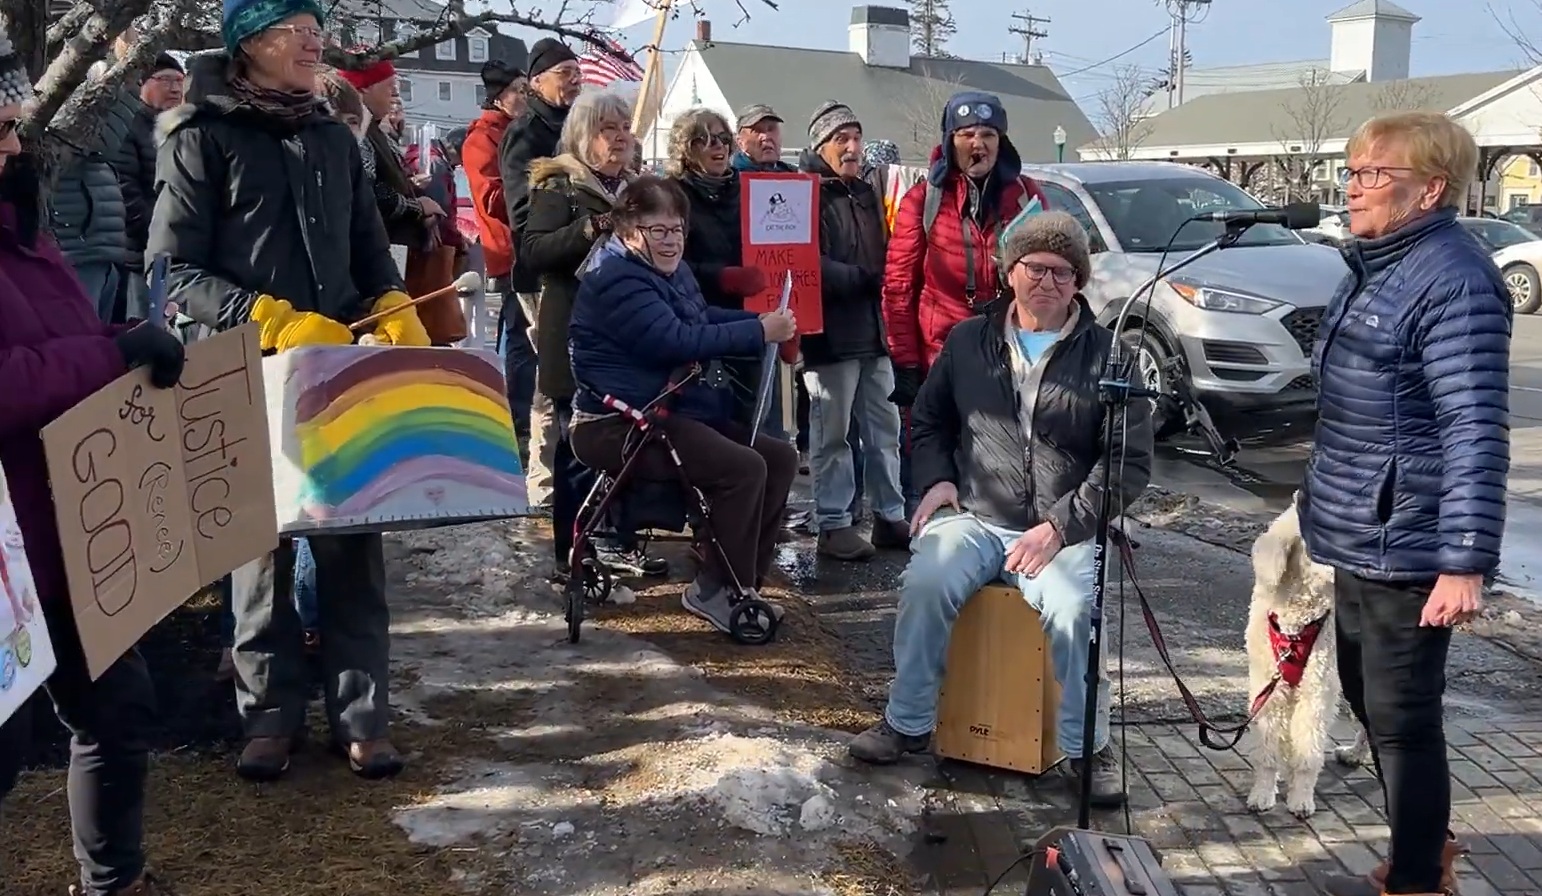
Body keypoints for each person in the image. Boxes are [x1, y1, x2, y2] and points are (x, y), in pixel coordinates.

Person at [149, 0, 431, 782]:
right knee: (258, 548)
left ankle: (363, 716)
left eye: (315, 30)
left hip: (336, 371)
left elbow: (370, 250)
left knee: (353, 543)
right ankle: (267, 715)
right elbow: (172, 272)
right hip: (241, 368)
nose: (314, 44)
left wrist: (385, 306)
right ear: (249, 45)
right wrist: (264, 316)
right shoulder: (201, 138)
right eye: (295, 32)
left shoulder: (333, 139)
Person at [847, 211, 1152, 810]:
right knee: (926, 581)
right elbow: (930, 421)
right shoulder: (967, 341)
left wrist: (1062, 526)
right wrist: (934, 481)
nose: (1048, 281)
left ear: (1079, 282)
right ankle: (906, 724)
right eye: (1035, 267)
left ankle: (1086, 747)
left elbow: (1128, 463)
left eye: (1063, 271)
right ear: (1010, 272)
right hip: (977, 515)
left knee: (1072, 609)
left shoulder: (1110, 356)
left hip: (1061, 525)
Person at [1303, 112, 1509, 896]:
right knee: (1369, 699)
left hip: (1412, 542)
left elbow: (1474, 426)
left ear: (1429, 189)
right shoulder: (1378, 263)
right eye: (1351, 172)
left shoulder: (1453, 277)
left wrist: (1463, 562)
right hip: (1361, 531)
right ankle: (1430, 839)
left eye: (1372, 175)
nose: (1353, 189)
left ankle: (1419, 877)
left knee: (1402, 720)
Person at [0, 32, 186, 890]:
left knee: (116, 708)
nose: (14, 146)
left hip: (73, 529)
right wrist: (107, 359)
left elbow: (64, 343)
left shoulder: (27, 237)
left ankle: (116, 883)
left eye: (13, 128)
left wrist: (131, 343)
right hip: (8, 553)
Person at [567, 176, 800, 631]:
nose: (671, 240)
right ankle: (714, 589)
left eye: (677, 229)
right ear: (629, 230)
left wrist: (761, 322)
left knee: (780, 457)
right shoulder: (616, 277)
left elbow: (699, 317)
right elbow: (672, 340)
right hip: (616, 421)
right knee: (744, 468)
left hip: (665, 410)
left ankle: (741, 583)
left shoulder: (665, 269)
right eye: (659, 230)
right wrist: (758, 332)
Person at [519, 91, 666, 580]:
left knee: (631, 442)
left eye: (626, 127)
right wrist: (597, 226)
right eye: (609, 128)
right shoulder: (559, 188)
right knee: (579, 448)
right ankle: (573, 553)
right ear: (584, 136)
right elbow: (535, 253)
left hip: (630, 333)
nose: (622, 136)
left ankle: (621, 539)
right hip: (576, 335)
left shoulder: (636, 188)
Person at [881, 92, 1049, 517]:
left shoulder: (1027, 197)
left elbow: (1049, 275)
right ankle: (937, 553)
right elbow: (899, 286)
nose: (979, 144)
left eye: (989, 134)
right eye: (967, 134)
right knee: (940, 463)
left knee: (1003, 465)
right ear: (950, 140)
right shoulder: (924, 200)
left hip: (1010, 351)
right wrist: (905, 364)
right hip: (942, 351)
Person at [797, 101, 905, 561]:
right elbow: (802, 259)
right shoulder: (806, 194)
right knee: (833, 434)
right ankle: (834, 522)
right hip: (830, 334)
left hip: (874, 332)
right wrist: (861, 278)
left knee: (885, 429)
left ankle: (890, 514)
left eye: (857, 137)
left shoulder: (867, 193)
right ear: (822, 145)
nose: (853, 147)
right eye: (842, 139)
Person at [501, 38, 583, 509]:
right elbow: (520, 212)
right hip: (543, 273)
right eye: (564, 72)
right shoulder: (526, 133)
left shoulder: (577, 126)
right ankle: (544, 481)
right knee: (550, 381)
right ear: (536, 82)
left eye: (576, 71)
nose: (575, 79)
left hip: (581, 271)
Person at [666, 108, 771, 429]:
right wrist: (722, 276)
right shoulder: (671, 195)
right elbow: (667, 263)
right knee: (713, 427)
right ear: (685, 148)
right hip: (699, 323)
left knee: (758, 427)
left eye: (724, 139)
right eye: (705, 140)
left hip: (753, 319)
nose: (718, 147)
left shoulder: (750, 190)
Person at [464, 60, 535, 450]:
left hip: (533, 246)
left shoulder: (521, 131)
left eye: (528, 89)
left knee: (527, 338)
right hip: (509, 250)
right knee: (521, 339)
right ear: (499, 97)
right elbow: (491, 198)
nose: (526, 97)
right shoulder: (482, 139)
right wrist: (536, 186)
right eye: (518, 90)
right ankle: (516, 422)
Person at [48, 47, 138, 322]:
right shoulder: (49, 93)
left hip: (99, 248)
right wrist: (128, 74)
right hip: (75, 249)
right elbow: (104, 139)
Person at [114, 52, 183, 320]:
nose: (176, 88)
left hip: (177, 254)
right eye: (165, 80)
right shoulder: (129, 126)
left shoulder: (181, 127)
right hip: (140, 254)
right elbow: (126, 191)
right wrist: (159, 235)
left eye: (179, 80)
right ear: (141, 83)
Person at [731, 104, 794, 173]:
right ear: (740, 142)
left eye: (771, 129)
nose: (766, 137)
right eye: (757, 130)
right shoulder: (731, 179)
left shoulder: (795, 175)